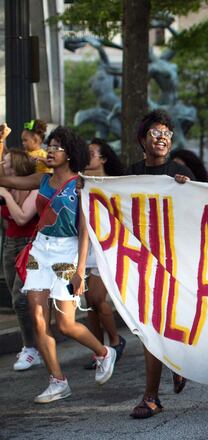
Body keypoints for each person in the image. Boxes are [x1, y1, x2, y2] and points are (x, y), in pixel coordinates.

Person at [0, 126, 117, 403]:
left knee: (65, 324)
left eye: (56, 147)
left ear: (70, 153)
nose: (50, 151)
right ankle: (57, 381)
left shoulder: (81, 185)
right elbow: (4, 179)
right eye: (49, 146)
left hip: (67, 253)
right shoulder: (42, 179)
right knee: (38, 319)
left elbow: (85, 231)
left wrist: (79, 272)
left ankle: (104, 352)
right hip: (40, 250)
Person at [127, 110, 194, 419]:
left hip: (174, 260)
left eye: (167, 134)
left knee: (166, 323)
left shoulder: (179, 172)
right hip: (143, 261)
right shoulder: (132, 174)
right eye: (155, 133)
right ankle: (152, 396)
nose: (162, 138)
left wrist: (185, 188)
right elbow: (112, 203)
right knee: (149, 326)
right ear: (143, 140)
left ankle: (176, 363)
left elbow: (197, 210)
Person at [81, 138, 126, 370]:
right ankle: (98, 350)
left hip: (108, 246)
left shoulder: (115, 184)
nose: (86, 156)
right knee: (89, 302)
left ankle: (116, 342)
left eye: (91, 153)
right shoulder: (82, 182)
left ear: (104, 158)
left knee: (98, 298)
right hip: (86, 246)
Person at [0, 149, 41, 371]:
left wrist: (6, 197)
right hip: (9, 244)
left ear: (15, 165)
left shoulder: (34, 189)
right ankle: (36, 344)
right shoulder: (7, 187)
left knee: (20, 299)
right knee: (19, 302)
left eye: (5, 162)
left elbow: (22, 217)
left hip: (29, 245)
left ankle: (31, 349)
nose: (3, 165)